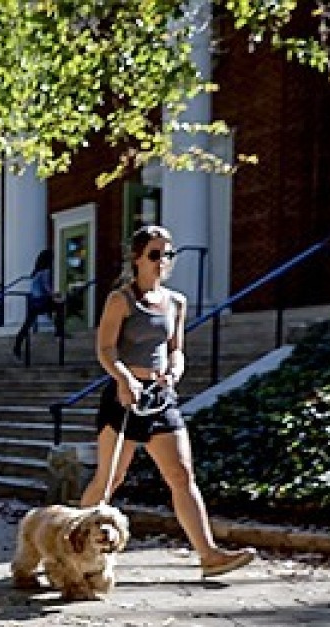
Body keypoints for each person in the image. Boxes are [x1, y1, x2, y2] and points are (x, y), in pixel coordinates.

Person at [79, 225, 256, 578]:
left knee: (181, 474)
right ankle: (75, 549)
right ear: (138, 258)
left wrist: (175, 371)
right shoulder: (121, 299)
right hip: (124, 398)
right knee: (110, 479)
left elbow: (176, 350)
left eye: (168, 255)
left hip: (161, 398)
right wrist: (125, 378)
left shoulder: (176, 301)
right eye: (155, 255)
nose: (163, 262)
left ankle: (209, 555)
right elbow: (105, 349)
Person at [13, 249, 63, 359]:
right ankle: (59, 332)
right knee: (59, 306)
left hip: (33, 301)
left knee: (27, 324)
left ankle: (17, 346)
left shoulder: (36, 272)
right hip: (41, 300)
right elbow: (46, 286)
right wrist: (54, 294)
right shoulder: (46, 271)